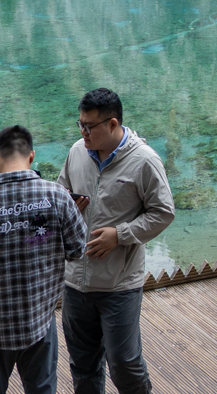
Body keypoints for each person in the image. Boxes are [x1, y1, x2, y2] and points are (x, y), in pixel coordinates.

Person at [57, 89, 177, 394]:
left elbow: (163, 213)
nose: (83, 132)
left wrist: (120, 235)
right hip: (75, 282)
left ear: (112, 124)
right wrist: (67, 204)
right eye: (80, 124)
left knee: (124, 363)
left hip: (119, 285)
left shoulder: (144, 161)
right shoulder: (76, 153)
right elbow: (59, 194)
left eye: (89, 126)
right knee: (82, 366)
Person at [0, 124, 85, 394]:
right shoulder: (58, 197)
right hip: (39, 318)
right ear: (32, 156)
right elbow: (77, 250)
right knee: (42, 388)